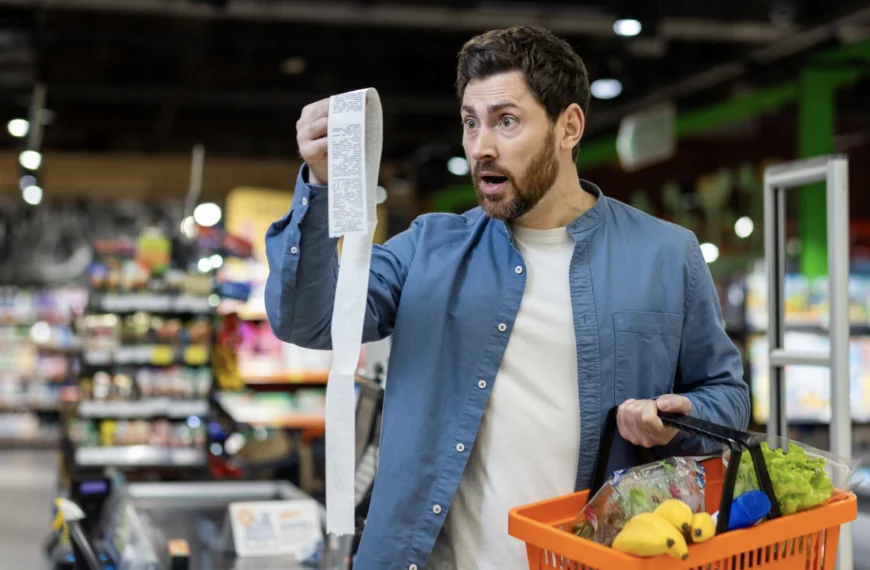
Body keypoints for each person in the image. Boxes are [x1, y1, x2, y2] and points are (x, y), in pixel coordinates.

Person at [265, 25, 748, 570]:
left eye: (506, 121)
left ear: (569, 127)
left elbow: (725, 396)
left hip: (591, 556)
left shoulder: (666, 254)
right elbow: (308, 320)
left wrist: (680, 417)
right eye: (471, 123)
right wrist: (320, 187)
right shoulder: (428, 247)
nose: (480, 147)